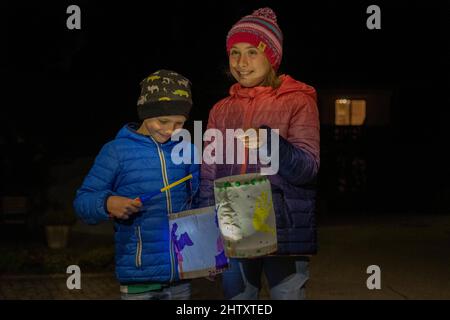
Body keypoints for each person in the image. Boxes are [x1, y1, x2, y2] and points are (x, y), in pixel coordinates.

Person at [199, 8, 320, 299]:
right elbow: (208, 174)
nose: (241, 63)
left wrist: (270, 142)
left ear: (272, 57)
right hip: (234, 230)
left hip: (282, 230)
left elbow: (308, 169)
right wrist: (207, 229)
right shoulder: (220, 110)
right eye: (234, 53)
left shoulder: (298, 102)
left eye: (252, 52)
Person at [74, 69, 199, 300]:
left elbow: (200, 203)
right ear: (145, 112)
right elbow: (83, 201)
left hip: (182, 278)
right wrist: (108, 202)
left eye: (179, 123)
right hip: (139, 281)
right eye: (162, 121)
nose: (170, 130)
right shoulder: (115, 151)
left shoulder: (187, 151)